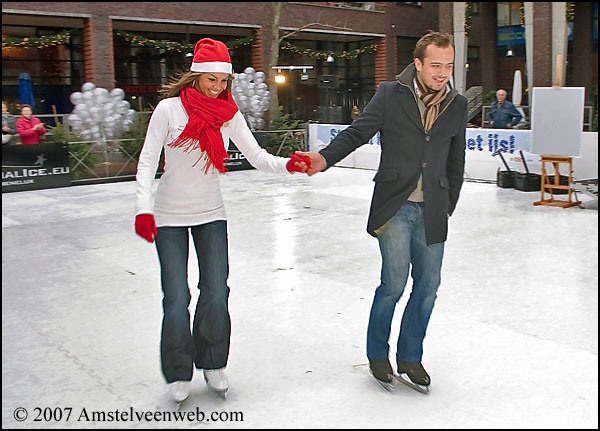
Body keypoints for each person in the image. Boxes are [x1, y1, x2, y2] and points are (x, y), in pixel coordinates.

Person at [134, 38, 310, 403]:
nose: (217, 87)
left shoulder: (228, 115)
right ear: (197, 76)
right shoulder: (168, 110)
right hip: (168, 216)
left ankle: (213, 361)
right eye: (211, 79)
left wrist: (288, 165)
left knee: (215, 291)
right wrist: (143, 209)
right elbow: (148, 160)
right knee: (176, 296)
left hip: (211, 214)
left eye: (223, 81)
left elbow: (258, 157)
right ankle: (179, 370)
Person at [296, 31, 467, 393]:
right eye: (435, 65)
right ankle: (378, 353)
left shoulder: (457, 103)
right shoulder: (390, 95)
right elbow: (358, 133)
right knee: (394, 283)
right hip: (395, 205)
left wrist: (448, 205)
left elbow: (456, 160)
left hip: (434, 207)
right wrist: (323, 158)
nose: (442, 73)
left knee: (429, 286)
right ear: (417, 63)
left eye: (448, 66)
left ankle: (410, 357)